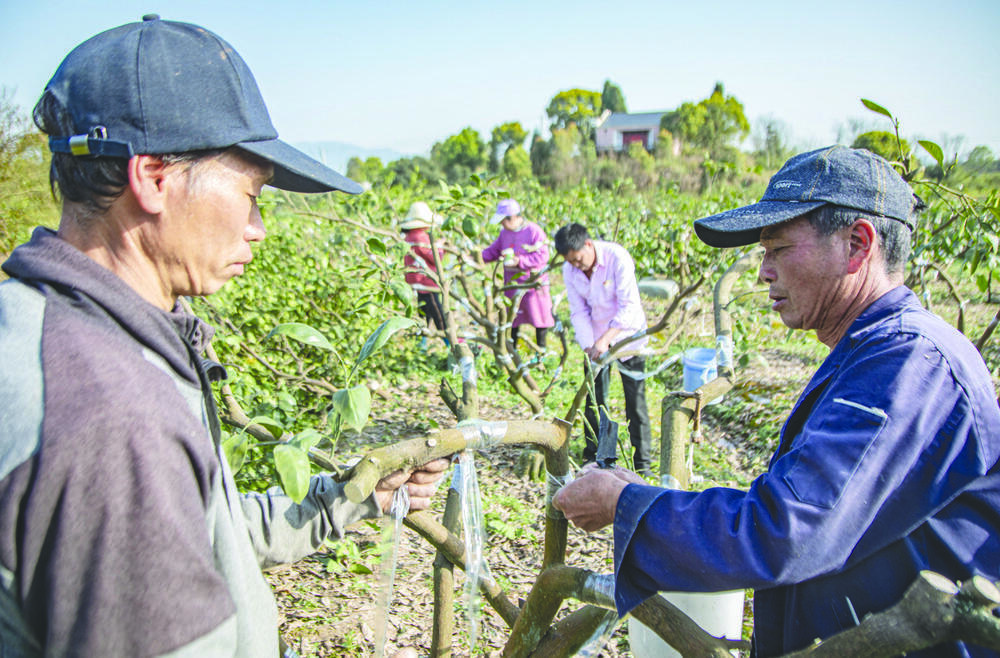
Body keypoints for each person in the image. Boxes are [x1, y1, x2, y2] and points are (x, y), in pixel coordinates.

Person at [0, 16, 447, 657]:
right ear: (153, 177)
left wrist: (352, 497)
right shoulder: (116, 419)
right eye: (251, 192)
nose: (258, 226)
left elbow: (204, 529)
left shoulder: (48, 329)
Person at [553, 146, 1000, 657]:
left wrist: (625, 504)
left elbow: (785, 528)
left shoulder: (908, 363)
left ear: (857, 244)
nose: (764, 272)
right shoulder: (875, 351)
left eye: (778, 248)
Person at [553, 222, 653, 476]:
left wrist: (607, 339)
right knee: (595, 400)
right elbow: (578, 310)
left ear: (588, 244)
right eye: (571, 262)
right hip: (595, 341)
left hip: (627, 336)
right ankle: (597, 455)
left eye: (579, 259)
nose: (577, 265)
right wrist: (589, 344)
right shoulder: (570, 269)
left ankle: (642, 463)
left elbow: (630, 305)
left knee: (635, 401)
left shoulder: (617, 257)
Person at [481, 199, 555, 353]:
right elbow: (493, 251)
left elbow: (543, 256)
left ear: (513, 217)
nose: (502, 225)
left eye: (503, 221)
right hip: (512, 283)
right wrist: (476, 256)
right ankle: (513, 351)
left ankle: (541, 353)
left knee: (539, 317)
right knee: (513, 318)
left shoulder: (534, 231)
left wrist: (520, 261)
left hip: (533, 283)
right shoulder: (504, 233)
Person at [400, 200, 449, 346]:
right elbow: (435, 257)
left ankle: (422, 343)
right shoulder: (421, 237)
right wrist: (441, 247)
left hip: (415, 282)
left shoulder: (409, 237)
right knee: (438, 313)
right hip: (427, 282)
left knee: (423, 313)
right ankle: (450, 343)